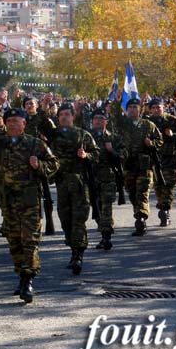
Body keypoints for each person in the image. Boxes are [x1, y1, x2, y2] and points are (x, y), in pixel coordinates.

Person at [0, 91, 59, 303]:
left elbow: (54, 164)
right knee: (14, 241)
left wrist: (40, 166)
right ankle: (21, 274)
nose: (11, 125)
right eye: (8, 121)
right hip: (8, 201)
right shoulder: (0, 142)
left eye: (16, 121)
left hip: (29, 201)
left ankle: (28, 279)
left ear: (24, 124)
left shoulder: (35, 144)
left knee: (29, 241)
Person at [48, 102, 99, 275]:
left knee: (78, 219)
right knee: (65, 220)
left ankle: (78, 254)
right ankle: (73, 248)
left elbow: (97, 154)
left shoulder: (82, 134)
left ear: (73, 116)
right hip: (62, 183)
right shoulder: (53, 135)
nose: (64, 117)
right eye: (61, 114)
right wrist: (44, 106)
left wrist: (86, 155)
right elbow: (38, 124)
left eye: (67, 114)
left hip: (79, 183)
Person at [112, 93, 163, 236]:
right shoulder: (124, 123)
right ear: (127, 110)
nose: (133, 110)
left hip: (144, 166)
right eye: (130, 107)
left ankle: (141, 219)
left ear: (140, 109)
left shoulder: (148, 125)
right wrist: (117, 102)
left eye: (136, 107)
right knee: (132, 192)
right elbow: (115, 116)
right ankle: (139, 212)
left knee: (142, 193)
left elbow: (159, 141)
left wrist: (151, 143)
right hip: (128, 165)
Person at [145, 98, 176, 227]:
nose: (156, 110)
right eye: (153, 107)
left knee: (168, 185)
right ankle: (162, 206)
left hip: (171, 158)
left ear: (163, 107)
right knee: (158, 185)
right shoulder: (147, 122)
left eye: (158, 107)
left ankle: (165, 209)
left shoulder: (172, 120)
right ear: (150, 109)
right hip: (153, 159)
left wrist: (173, 136)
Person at [90, 108, 126, 250]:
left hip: (108, 178)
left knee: (106, 207)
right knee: (96, 208)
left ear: (107, 121)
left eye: (101, 118)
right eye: (96, 118)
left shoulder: (114, 138)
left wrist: (112, 151)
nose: (99, 121)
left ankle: (106, 236)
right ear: (92, 121)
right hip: (91, 178)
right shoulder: (86, 137)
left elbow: (124, 155)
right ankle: (103, 231)